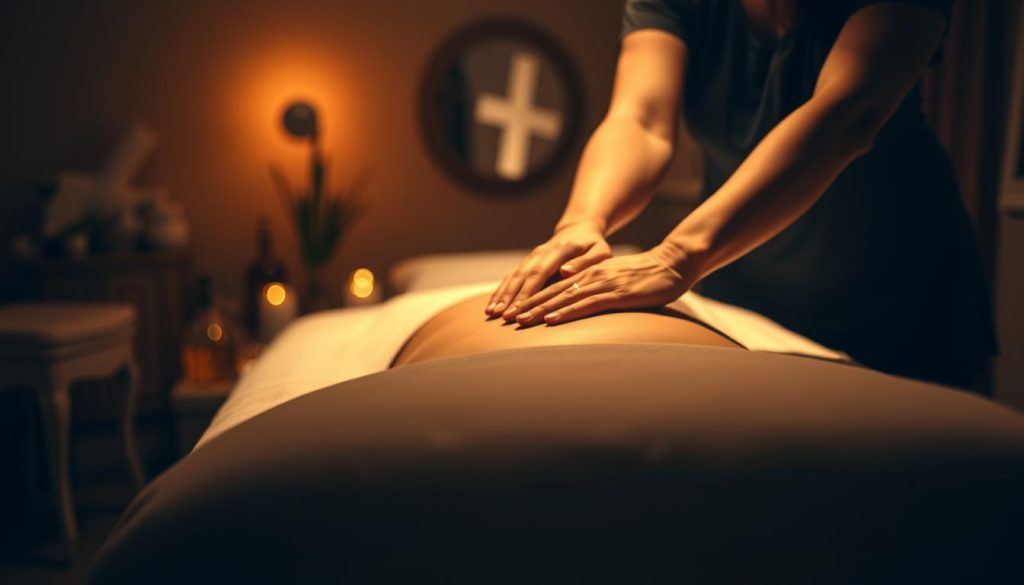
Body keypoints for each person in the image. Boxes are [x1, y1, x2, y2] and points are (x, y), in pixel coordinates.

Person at [483, 0, 998, 391]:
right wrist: (581, 221)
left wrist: (676, 256)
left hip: (897, 302)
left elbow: (847, 116)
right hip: (746, 287)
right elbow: (640, 120)